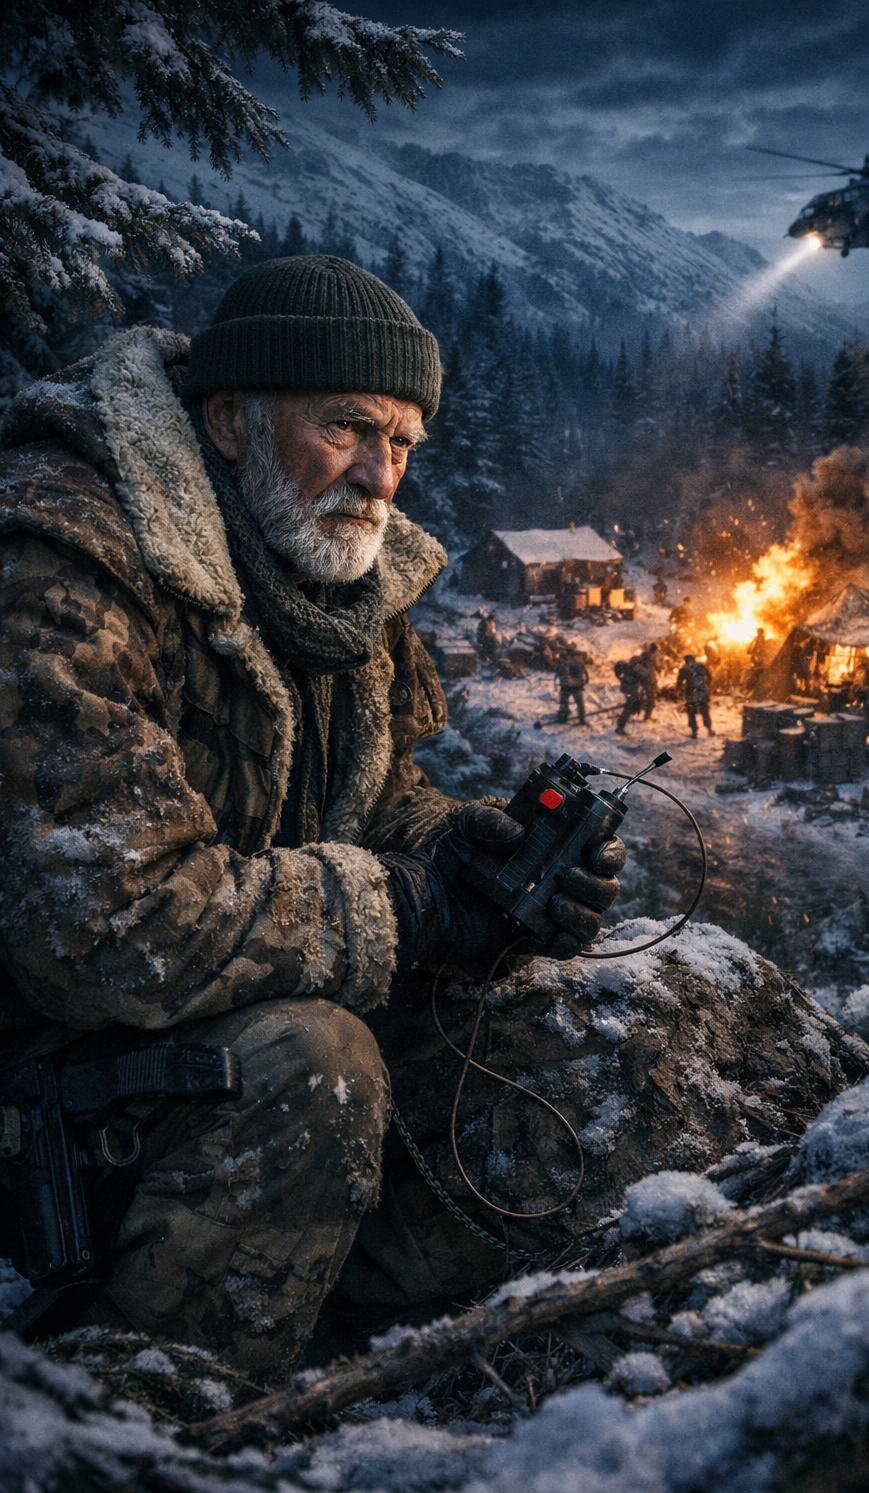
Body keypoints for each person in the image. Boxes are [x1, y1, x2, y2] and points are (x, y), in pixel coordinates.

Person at [0, 256, 627, 1375]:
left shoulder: (322, 575)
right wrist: (407, 908)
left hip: (180, 1036)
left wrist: (471, 860)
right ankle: (135, 1429)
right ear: (232, 418)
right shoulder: (62, 559)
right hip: (39, 1071)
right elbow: (105, 923)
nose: (380, 478)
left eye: (402, 445)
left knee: (535, 1031)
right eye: (347, 429)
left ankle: (340, 1346)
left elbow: (373, 801)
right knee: (315, 1060)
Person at [677, 654, 714, 738]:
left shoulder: (684, 669)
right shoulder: (701, 666)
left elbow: (679, 683)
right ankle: (709, 729)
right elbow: (709, 675)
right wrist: (707, 684)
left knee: (691, 711)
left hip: (691, 692)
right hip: (702, 691)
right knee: (704, 710)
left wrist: (681, 691)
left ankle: (694, 732)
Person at [555, 642, 589, 724]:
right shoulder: (579, 657)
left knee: (564, 701)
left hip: (567, 685)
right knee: (580, 703)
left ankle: (563, 717)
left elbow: (561, 671)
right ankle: (582, 719)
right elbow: (584, 670)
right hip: (577, 684)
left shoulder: (563, 658)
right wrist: (586, 679)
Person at [614, 656, 644, 735]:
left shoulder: (627, 667)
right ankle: (620, 727)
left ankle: (621, 723)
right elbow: (638, 678)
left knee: (630, 706)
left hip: (629, 690)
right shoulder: (632, 669)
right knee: (628, 708)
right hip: (630, 690)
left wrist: (621, 679)